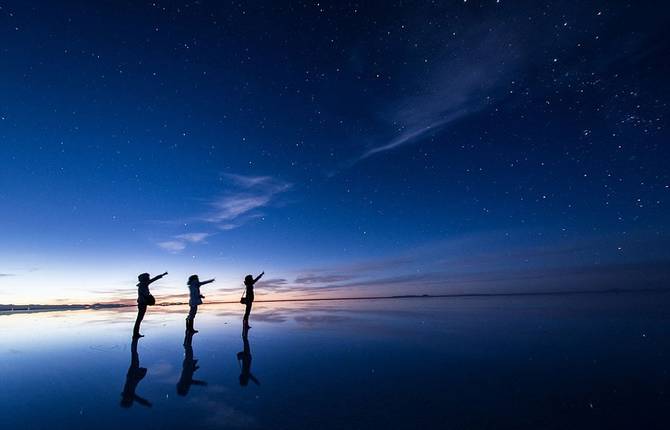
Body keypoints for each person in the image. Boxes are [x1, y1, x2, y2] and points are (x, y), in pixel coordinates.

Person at [133, 271, 167, 338]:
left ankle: (136, 334)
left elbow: (154, 279)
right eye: (148, 277)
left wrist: (162, 275)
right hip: (142, 304)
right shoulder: (144, 284)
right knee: (139, 319)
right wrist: (162, 274)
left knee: (139, 319)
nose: (149, 278)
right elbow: (153, 280)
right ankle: (135, 334)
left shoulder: (143, 284)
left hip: (142, 304)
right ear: (145, 278)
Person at [120, 338, 152, 408]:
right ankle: (134, 340)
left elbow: (137, 399)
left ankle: (135, 340)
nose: (131, 400)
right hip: (133, 376)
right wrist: (145, 403)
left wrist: (145, 403)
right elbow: (138, 399)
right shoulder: (128, 394)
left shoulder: (128, 394)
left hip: (133, 376)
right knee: (135, 356)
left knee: (135, 355)